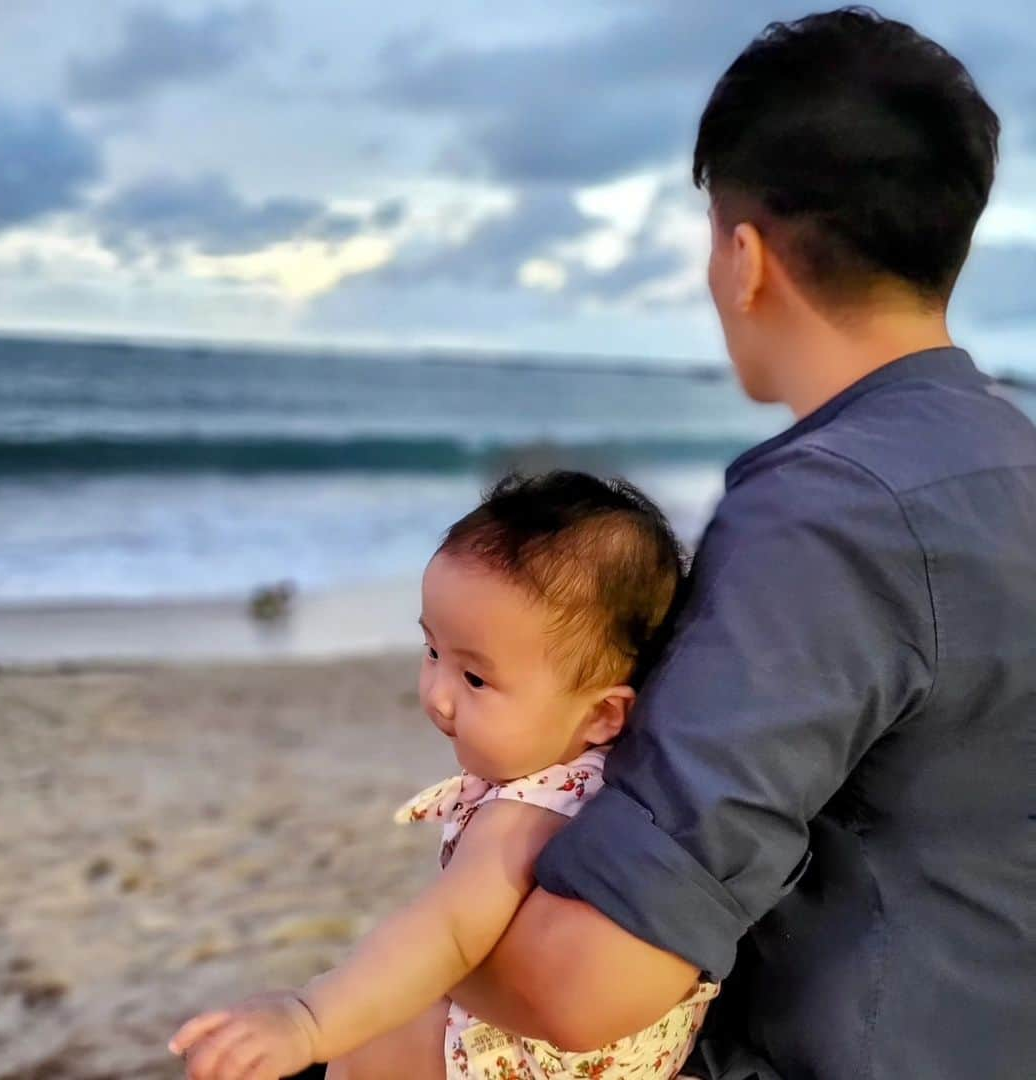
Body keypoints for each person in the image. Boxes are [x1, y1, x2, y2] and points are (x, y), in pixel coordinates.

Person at [426, 9, 1035, 1079]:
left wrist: (415, 946)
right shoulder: (1011, 462)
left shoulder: (826, 512)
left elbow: (590, 982)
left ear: (746, 257)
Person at [168, 472, 722, 1080]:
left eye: (476, 679)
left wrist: (306, 1018)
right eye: (433, 651)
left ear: (601, 713)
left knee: (367, 1047)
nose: (439, 697)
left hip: (527, 1062)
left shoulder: (528, 814)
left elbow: (448, 936)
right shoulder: (618, 777)